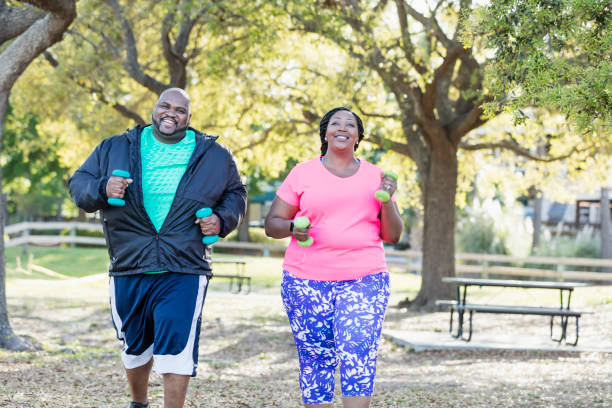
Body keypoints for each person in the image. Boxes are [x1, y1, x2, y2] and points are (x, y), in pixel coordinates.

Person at [69, 88, 247, 408]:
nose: (171, 113)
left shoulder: (214, 155)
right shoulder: (116, 147)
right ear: (153, 109)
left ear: (189, 118)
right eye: (165, 106)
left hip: (185, 264)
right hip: (129, 262)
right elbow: (79, 184)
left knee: (176, 346)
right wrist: (102, 187)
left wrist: (221, 221)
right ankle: (139, 403)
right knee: (134, 345)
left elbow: (236, 194)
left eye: (180, 110)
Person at [264, 107, 403, 408]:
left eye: (350, 124)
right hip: (305, 281)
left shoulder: (376, 176)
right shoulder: (302, 172)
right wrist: (292, 229)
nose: (342, 128)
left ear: (358, 136)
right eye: (335, 123)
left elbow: (393, 236)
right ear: (325, 133)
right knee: (316, 357)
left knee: (358, 349)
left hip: (365, 278)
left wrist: (389, 199)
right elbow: (272, 223)